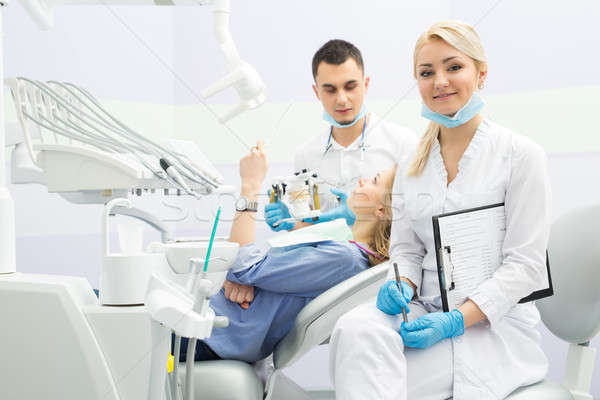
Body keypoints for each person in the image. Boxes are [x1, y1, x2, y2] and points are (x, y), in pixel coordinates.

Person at [329, 21, 551, 400]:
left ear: (481, 74)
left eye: (454, 67)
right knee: (353, 330)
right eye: (426, 72)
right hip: (424, 308)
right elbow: (407, 250)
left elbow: (526, 268)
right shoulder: (413, 164)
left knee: (375, 380)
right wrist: (402, 283)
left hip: (493, 327)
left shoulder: (520, 155)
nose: (440, 82)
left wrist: (454, 321)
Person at [224, 39, 417, 309]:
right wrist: (290, 223)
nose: (342, 99)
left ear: (366, 84)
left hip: (381, 281)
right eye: (330, 89)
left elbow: (417, 226)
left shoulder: (403, 144)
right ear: (316, 92)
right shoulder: (307, 154)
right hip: (326, 281)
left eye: (351, 86)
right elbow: (309, 226)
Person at [176, 141, 397, 363]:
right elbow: (250, 269)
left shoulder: (346, 259)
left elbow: (245, 267)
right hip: (220, 324)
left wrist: (250, 186)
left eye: (374, 181)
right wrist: (231, 277)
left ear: (381, 210)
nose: (363, 180)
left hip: (212, 332)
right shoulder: (348, 252)